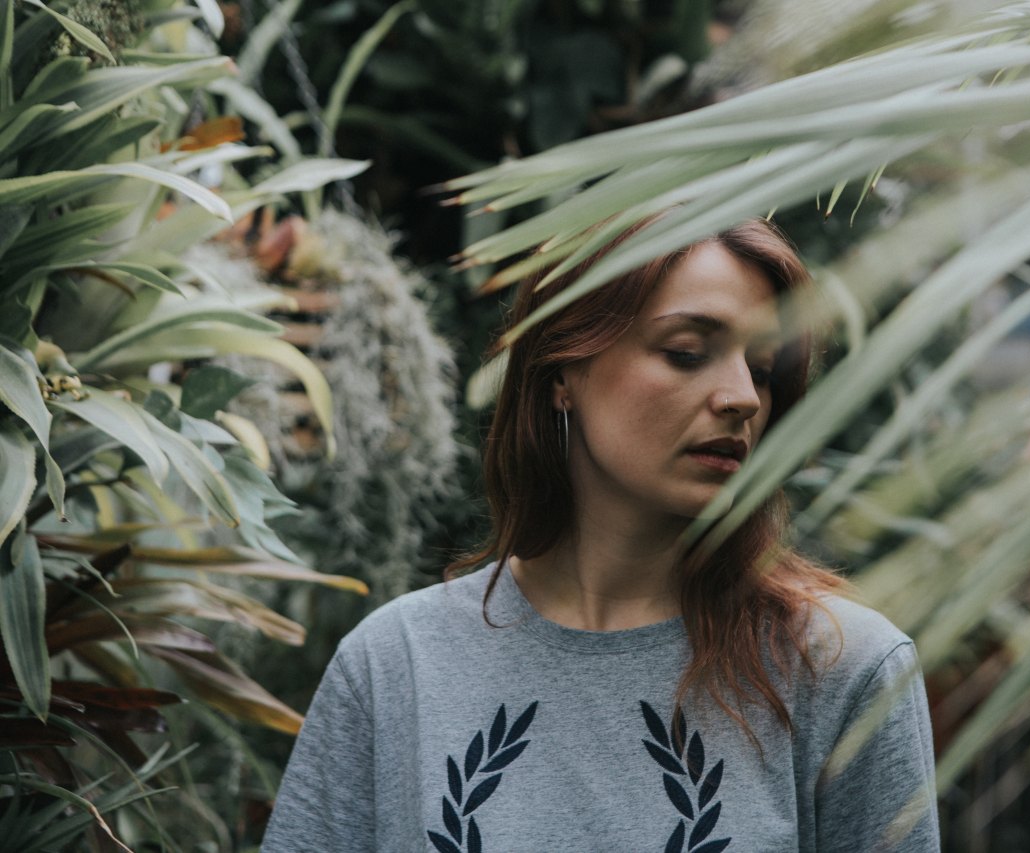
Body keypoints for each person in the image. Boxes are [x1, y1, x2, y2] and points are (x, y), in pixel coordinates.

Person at [262, 218, 940, 852]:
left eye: (760, 368)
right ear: (564, 372)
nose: (742, 397)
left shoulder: (841, 671)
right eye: (686, 352)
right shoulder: (397, 665)